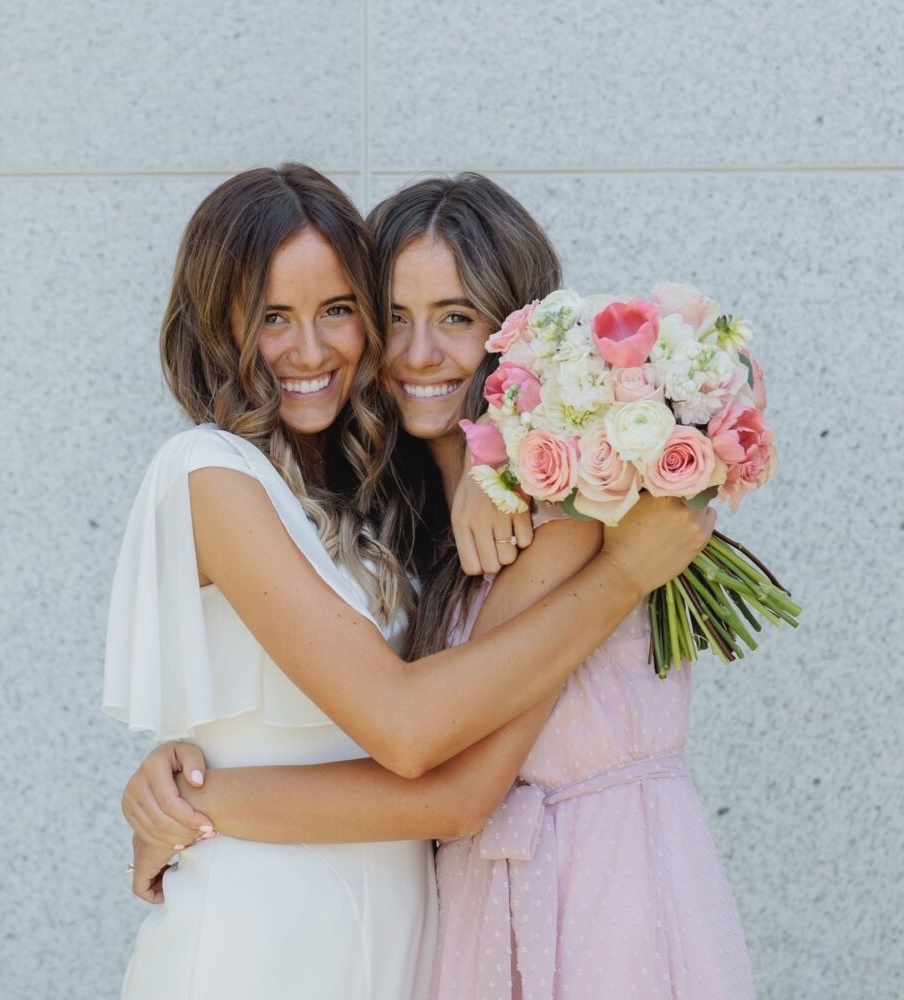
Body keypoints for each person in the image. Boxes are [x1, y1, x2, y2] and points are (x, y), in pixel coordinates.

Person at [120, 173, 754, 999]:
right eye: (392, 319)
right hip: (459, 918)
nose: (418, 354)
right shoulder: (407, 530)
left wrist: (200, 803)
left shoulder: (577, 507)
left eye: (457, 317)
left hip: (602, 906)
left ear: (519, 332)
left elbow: (449, 780)